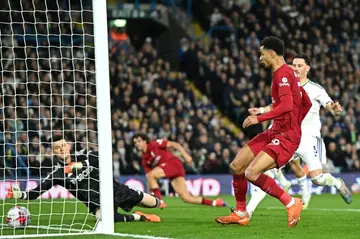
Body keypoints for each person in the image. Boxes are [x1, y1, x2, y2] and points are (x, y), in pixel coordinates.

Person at [215, 36, 312, 227]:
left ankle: (292, 203)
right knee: (237, 166)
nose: (260, 58)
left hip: (285, 137)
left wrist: (259, 118)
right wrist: (295, 122)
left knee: (251, 173)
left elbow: (286, 105)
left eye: (261, 54)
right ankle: (241, 213)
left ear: (271, 53)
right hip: (276, 131)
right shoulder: (288, 74)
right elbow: (305, 102)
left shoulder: (282, 75)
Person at [245, 54, 352, 217]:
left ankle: (337, 183)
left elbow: (331, 107)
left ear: (307, 68)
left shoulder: (316, 89)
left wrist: (335, 109)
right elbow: (276, 105)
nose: (295, 68)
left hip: (309, 139)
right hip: (288, 137)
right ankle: (248, 211)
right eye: (294, 65)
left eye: (300, 65)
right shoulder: (285, 83)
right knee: (264, 172)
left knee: (317, 179)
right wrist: (260, 110)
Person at [7, 134, 161, 223]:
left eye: (63, 145)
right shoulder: (57, 173)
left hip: (115, 190)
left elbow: (101, 157)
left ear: (68, 146)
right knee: (107, 220)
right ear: (54, 152)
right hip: (96, 204)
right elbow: (36, 192)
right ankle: (139, 217)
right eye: (57, 148)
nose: (61, 149)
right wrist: (19, 194)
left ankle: (153, 201)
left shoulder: (82, 154)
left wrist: (80, 165)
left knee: (155, 203)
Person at [133, 133, 226, 208]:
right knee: (186, 198)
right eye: (135, 142)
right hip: (170, 172)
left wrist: (185, 155)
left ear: (145, 141)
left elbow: (174, 144)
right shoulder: (145, 159)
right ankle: (215, 202)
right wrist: (149, 196)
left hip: (173, 163)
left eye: (139, 141)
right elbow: (150, 178)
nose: (137, 144)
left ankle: (159, 200)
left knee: (151, 175)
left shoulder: (154, 144)